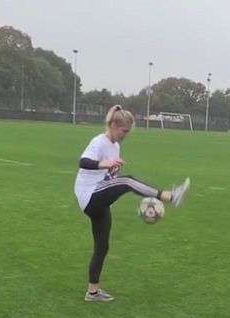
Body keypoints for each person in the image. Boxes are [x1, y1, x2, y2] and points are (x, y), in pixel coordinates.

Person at [74, 105, 191, 302]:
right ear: (113, 125)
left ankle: (92, 292)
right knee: (128, 181)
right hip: (90, 194)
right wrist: (103, 164)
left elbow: (109, 178)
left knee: (102, 247)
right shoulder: (99, 142)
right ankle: (170, 197)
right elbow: (83, 162)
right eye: (124, 131)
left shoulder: (115, 146)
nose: (126, 135)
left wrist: (111, 168)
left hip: (100, 201)